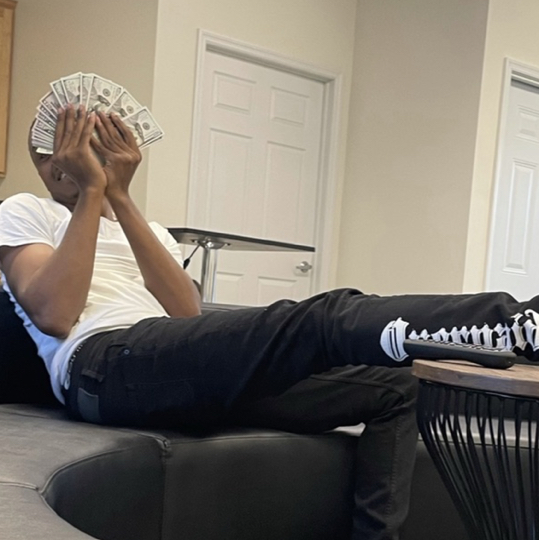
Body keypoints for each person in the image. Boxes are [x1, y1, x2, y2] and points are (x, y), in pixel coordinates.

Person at [0, 105, 537, 540]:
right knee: (319, 320)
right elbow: (55, 314)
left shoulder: (149, 229)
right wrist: (92, 193)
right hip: (103, 367)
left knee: (396, 388)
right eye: (57, 151)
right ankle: (516, 324)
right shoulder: (25, 210)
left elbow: (185, 314)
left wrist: (118, 195)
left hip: (172, 362)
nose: (69, 161)